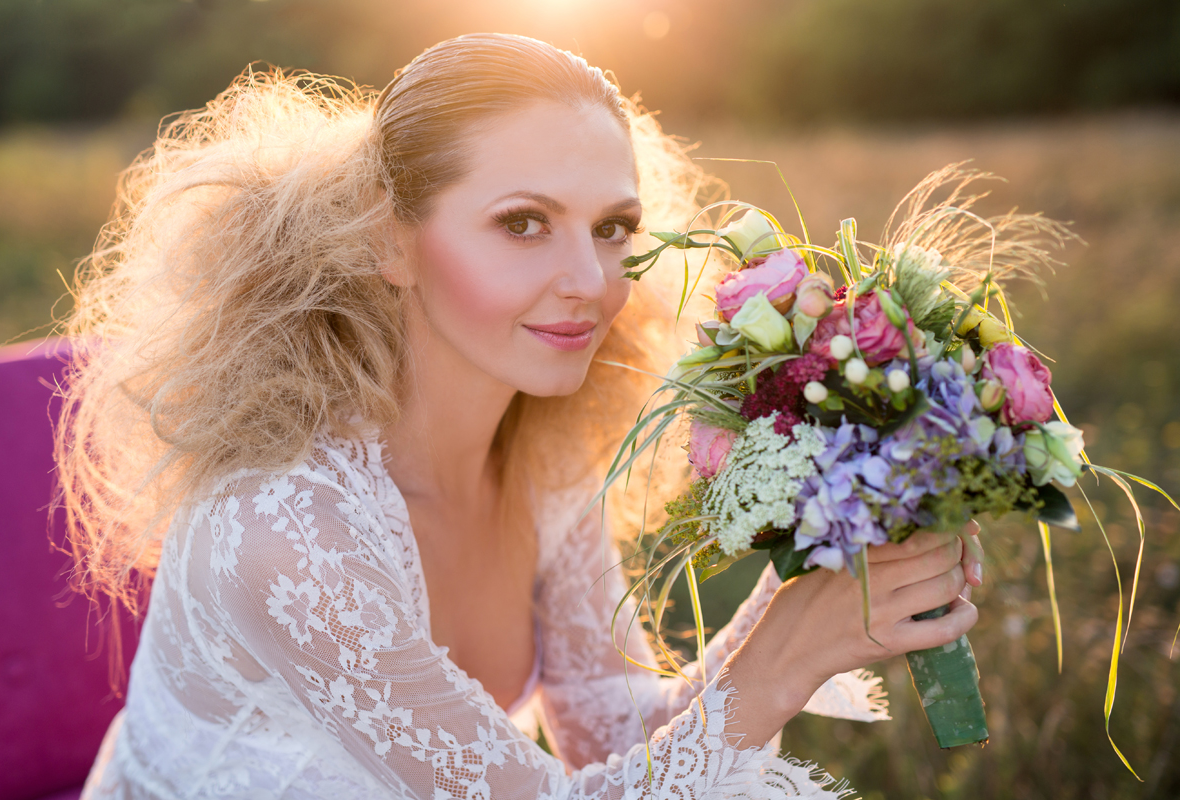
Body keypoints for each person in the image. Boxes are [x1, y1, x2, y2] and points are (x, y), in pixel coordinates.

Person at [59, 33, 983, 799]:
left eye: (613, 228)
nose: (590, 283)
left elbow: (608, 729)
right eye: (523, 223)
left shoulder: (542, 453)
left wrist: (807, 599)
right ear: (387, 238)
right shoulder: (285, 530)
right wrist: (778, 664)